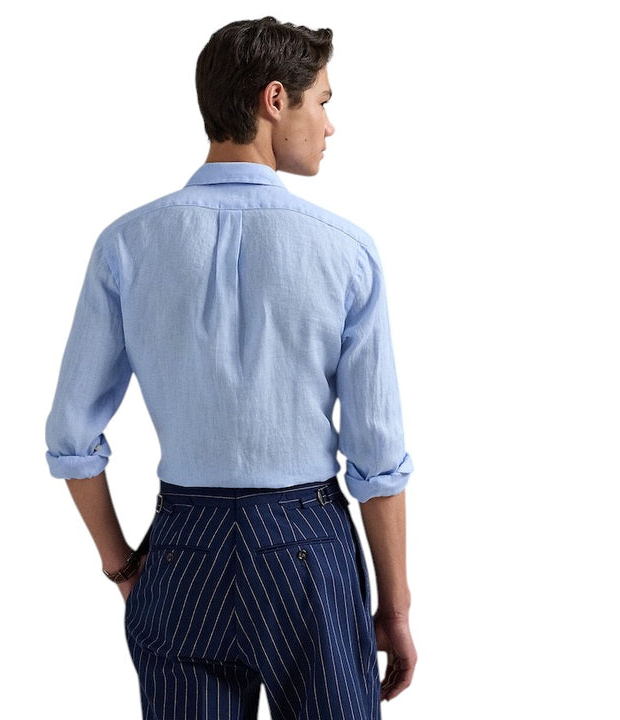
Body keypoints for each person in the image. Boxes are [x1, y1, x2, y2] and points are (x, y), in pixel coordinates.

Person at [46, 16, 417, 720]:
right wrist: (394, 608)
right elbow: (377, 457)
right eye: (322, 101)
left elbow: (70, 437)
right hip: (306, 551)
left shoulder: (127, 244)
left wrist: (121, 565)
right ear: (275, 100)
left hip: (183, 550)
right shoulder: (345, 251)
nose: (330, 125)